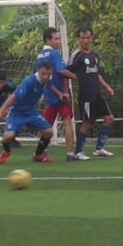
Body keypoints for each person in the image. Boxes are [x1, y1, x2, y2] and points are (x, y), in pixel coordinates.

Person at [67, 26, 116, 160]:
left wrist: (107, 87)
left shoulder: (94, 54)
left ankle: (98, 148)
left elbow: (97, 74)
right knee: (87, 122)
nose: (85, 40)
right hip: (86, 96)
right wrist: (77, 78)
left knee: (109, 119)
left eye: (88, 38)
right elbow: (66, 71)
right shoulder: (76, 55)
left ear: (91, 38)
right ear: (78, 39)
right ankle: (78, 152)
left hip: (97, 94)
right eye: (82, 38)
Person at [0, 60, 56, 164]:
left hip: (31, 113)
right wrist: (0, 111)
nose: (46, 76)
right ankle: (6, 151)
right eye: (43, 73)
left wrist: (60, 94)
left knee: (49, 132)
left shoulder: (46, 79)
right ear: (38, 70)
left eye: (48, 74)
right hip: (16, 113)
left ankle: (38, 155)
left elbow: (49, 85)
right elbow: (13, 96)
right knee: (8, 136)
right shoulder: (29, 82)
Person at [33, 27, 78, 160]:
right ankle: (70, 154)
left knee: (46, 126)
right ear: (48, 41)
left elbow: (35, 76)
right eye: (56, 39)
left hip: (49, 94)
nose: (58, 41)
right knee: (67, 122)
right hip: (62, 94)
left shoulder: (39, 56)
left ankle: (41, 151)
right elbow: (62, 71)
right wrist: (78, 77)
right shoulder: (54, 53)